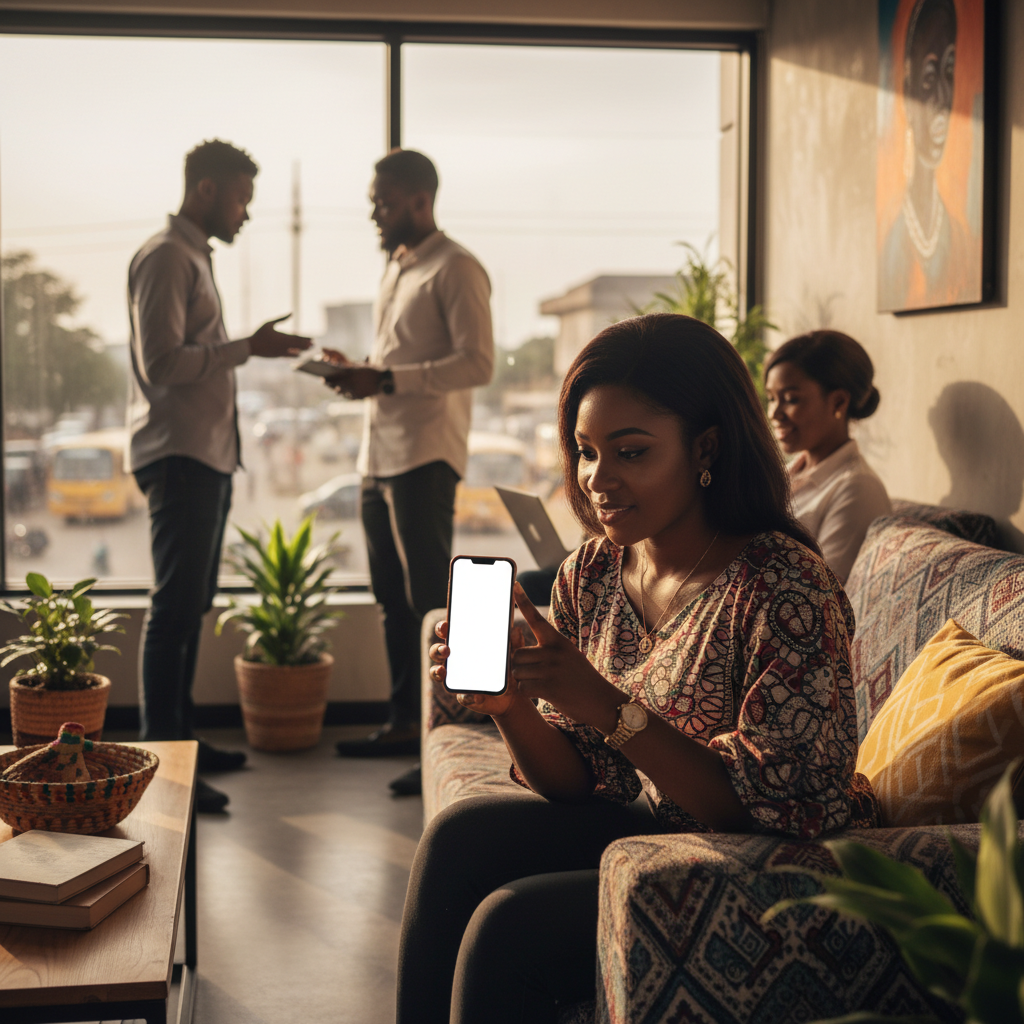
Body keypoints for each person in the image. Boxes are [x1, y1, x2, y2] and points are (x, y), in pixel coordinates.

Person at [401, 313, 879, 1024]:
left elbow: (768, 811)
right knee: (459, 839)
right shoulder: (593, 572)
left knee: (510, 926)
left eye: (630, 453)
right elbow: (578, 779)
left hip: (760, 862)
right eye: (587, 451)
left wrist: (601, 703)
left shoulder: (784, 588)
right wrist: (508, 708)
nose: (598, 480)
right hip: (654, 823)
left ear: (705, 447)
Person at [128, 139, 311, 814]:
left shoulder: (191, 257)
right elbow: (162, 364)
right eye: (241, 198)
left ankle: (181, 740)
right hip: (178, 455)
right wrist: (249, 348)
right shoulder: (167, 256)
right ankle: (162, 758)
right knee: (174, 608)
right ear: (206, 190)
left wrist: (249, 350)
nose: (246, 214)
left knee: (190, 605)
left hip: (203, 454)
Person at [327, 150, 494, 783]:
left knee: (430, 604)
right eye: (375, 200)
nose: (374, 211)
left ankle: (443, 739)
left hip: (425, 455)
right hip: (380, 456)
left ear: (421, 201)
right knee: (392, 601)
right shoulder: (398, 269)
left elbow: (476, 363)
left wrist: (388, 376)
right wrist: (363, 370)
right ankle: (403, 725)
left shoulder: (457, 268)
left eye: (385, 201)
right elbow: (398, 360)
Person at [764, 329, 892, 582]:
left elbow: (824, 593)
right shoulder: (786, 473)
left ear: (838, 403)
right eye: (771, 398)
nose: (774, 413)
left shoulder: (857, 489)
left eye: (790, 399)